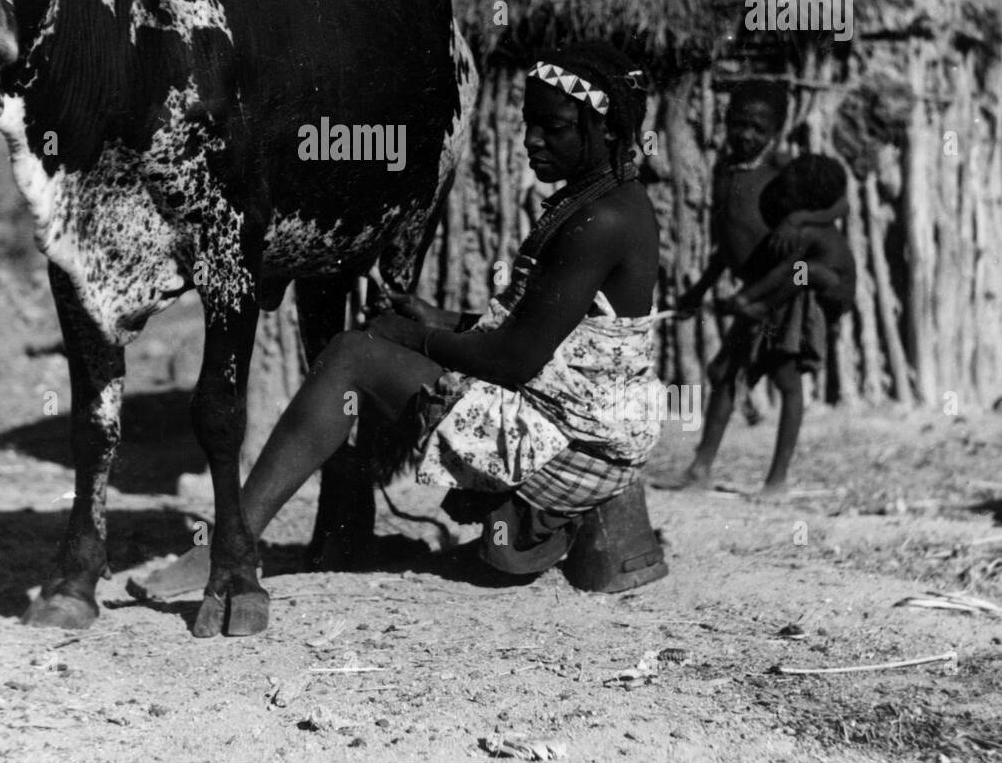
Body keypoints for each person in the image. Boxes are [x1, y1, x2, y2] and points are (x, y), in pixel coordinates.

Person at [139, 41, 662, 601]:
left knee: (350, 356)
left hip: (572, 450)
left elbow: (516, 358)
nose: (532, 139)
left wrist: (414, 335)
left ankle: (231, 543)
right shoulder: (599, 203)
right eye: (529, 122)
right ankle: (276, 533)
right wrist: (435, 319)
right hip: (575, 427)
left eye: (552, 126)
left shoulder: (602, 220)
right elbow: (553, 338)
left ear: (607, 131)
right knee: (369, 349)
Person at [681, 147, 854, 495]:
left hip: (824, 288)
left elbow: (790, 271)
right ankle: (700, 469)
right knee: (727, 372)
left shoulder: (804, 228)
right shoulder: (786, 214)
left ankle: (777, 481)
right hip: (794, 287)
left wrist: (746, 300)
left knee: (786, 378)